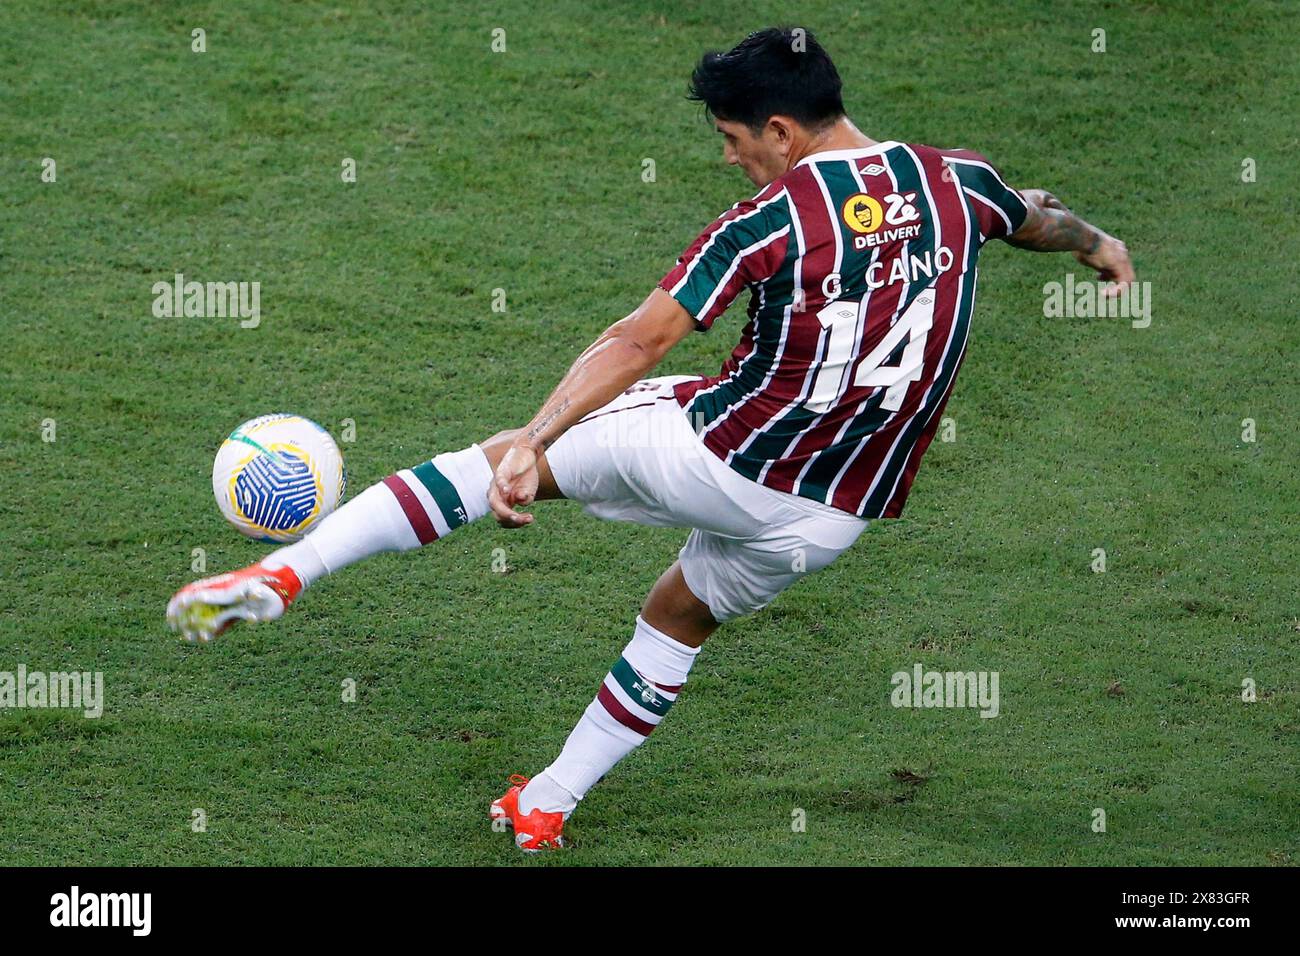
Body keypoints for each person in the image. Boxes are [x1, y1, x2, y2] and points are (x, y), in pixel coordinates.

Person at [167, 26, 1135, 851]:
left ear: (782, 131)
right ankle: (544, 804)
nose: (729, 157)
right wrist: (1098, 244)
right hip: (835, 515)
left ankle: (282, 576)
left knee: (494, 460)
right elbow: (1036, 218)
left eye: (732, 138)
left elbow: (639, 339)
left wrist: (537, 436)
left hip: (715, 454)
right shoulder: (958, 183)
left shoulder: (771, 217)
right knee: (680, 614)